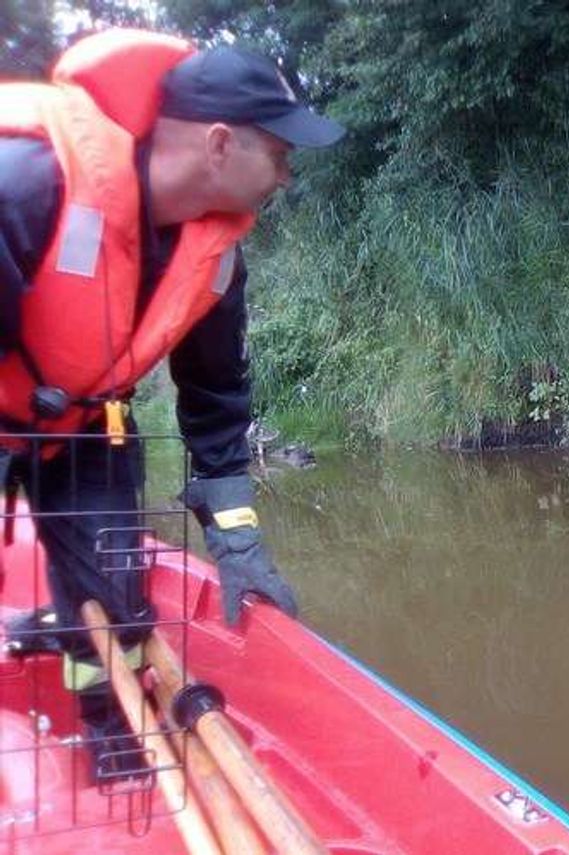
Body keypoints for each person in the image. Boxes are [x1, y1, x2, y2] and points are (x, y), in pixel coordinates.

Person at [0, 28, 344, 779]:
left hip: (87, 424)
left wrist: (238, 541)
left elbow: (216, 397)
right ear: (220, 143)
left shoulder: (216, 255)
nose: (286, 175)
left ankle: (110, 732)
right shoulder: (27, 178)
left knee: (115, 601)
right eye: (279, 152)